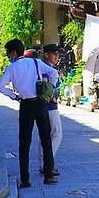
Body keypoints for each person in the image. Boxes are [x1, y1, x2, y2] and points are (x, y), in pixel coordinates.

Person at [0, 39, 60, 188]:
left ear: (13, 53)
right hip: (41, 103)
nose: (8, 56)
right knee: (46, 140)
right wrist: (50, 88)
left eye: (8, 53)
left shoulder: (11, 68)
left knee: (24, 143)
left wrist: (14, 96)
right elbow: (53, 72)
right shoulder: (35, 62)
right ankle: (48, 175)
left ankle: (25, 179)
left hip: (25, 105)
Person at [40, 43, 64, 172]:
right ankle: (48, 162)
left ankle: (43, 163)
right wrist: (51, 97)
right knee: (57, 134)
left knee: (45, 135)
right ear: (46, 54)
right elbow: (44, 86)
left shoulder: (45, 67)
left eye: (57, 54)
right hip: (50, 106)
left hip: (43, 106)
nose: (57, 56)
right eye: (54, 54)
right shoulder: (47, 69)